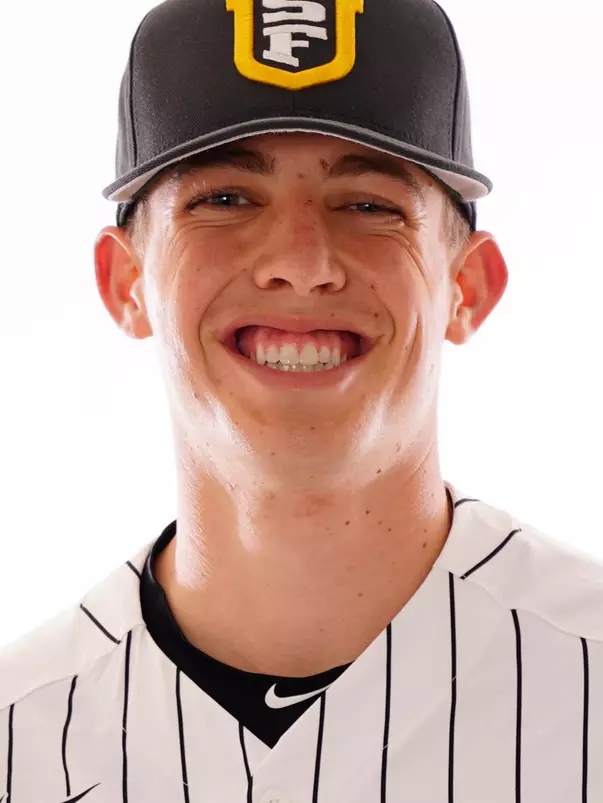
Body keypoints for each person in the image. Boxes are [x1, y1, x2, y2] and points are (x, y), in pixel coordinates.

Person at [2, 0, 603, 801]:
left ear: (467, 287)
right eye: (223, 199)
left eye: (368, 205)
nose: (300, 261)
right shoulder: (20, 738)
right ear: (125, 284)